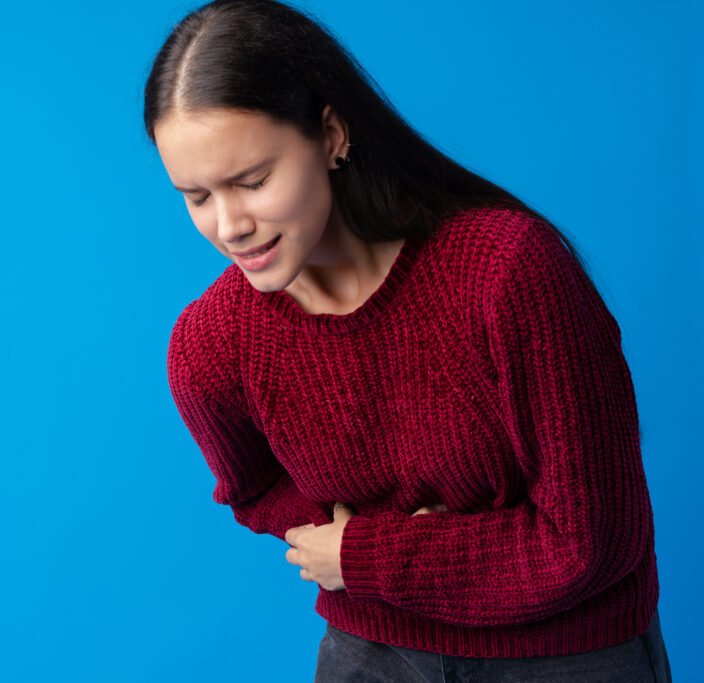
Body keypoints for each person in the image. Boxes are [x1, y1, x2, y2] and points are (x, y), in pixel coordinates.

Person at [144, 0, 672, 681]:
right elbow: (254, 489)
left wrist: (369, 553)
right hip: (370, 655)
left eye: (252, 181)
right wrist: (334, 539)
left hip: (569, 655)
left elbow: (591, 543)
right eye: (196, 196)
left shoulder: (508, 272)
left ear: (331, 135)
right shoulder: (210, 346)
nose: (229, 225)